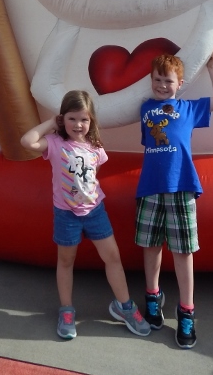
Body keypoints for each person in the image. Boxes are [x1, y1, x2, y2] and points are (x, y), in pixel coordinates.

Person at [21, 90, 151, 340]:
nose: (78, 125)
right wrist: (51, 122)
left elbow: (92, 176)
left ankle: (124, 307)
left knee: (113, 257)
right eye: (71, 119)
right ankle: (67, 311)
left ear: (91, 121)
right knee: (66, 261)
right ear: (63, 119)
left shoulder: (95, 147)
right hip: (66, 214)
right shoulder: (56, 144)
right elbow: (27, 142)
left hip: (94, 211)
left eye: (84, 119)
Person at [135, 48, 213, 349]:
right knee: (150, 245)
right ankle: (152, 297)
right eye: (158, 79)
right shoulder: (145, 109)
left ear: (180, 83)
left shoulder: (188, 108)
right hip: (150, 187)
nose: (162, 85)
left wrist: (212, 69)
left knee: (183, 251)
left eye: (169, 81)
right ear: (151, 80)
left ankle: (186, 311)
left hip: (182, 187)